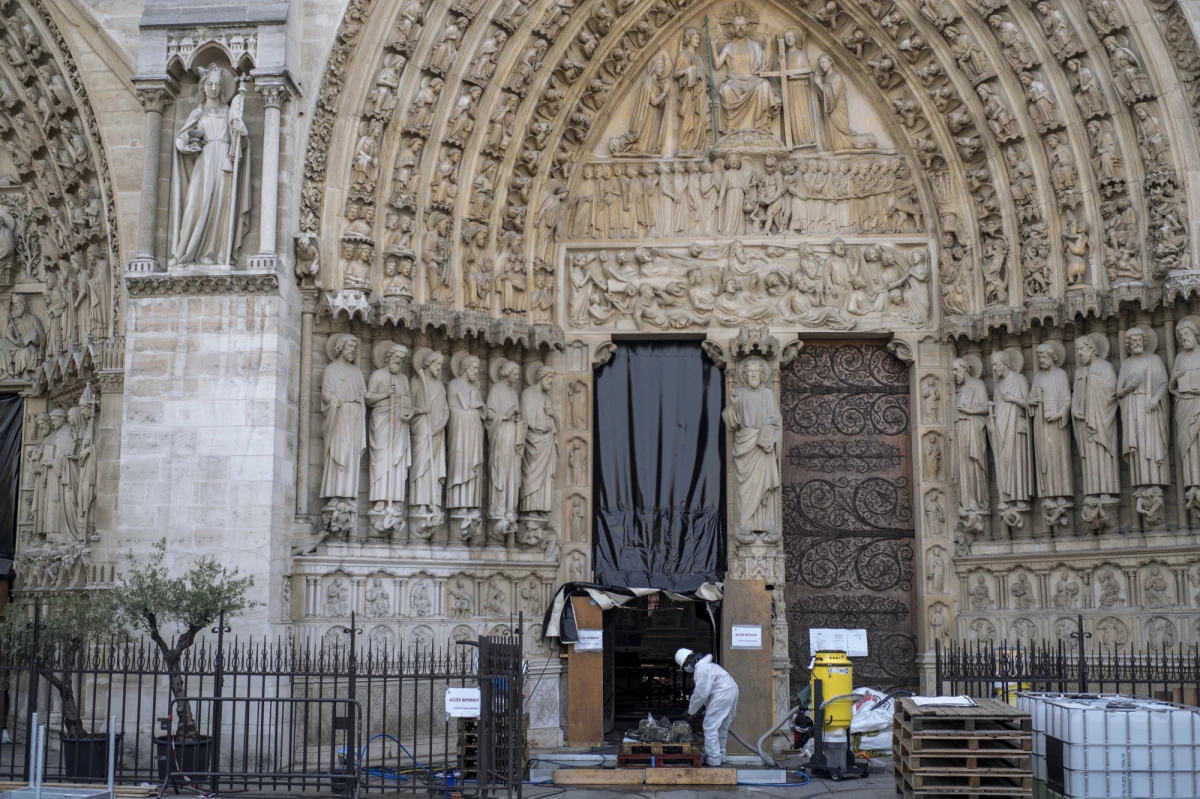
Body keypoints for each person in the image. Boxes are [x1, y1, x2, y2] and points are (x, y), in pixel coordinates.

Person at [675, 648, 739, 767]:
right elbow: (708, 692)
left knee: (709, 726)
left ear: (688, 660)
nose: (686, 668)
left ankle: (713, 759)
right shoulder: (708, 666)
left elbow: (701, 693)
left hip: (723, 693)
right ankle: (721, 755)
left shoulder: (701, 669)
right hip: (731, 690)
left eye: (684, 665)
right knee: (721, 727)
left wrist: (691, 711)